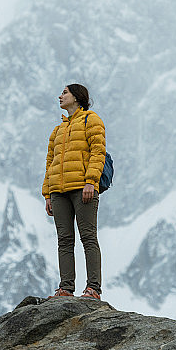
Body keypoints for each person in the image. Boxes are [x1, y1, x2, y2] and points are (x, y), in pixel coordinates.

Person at [42, 83, 106, 299]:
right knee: (64, 240)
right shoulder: (57, 130)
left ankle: (93, 288)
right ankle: (66, 288)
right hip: (59, 191)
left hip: (83, 188)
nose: (60, 96)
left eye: (65, 93)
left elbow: (98, 152)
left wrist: (91, 181)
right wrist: (48, 194)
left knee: (88, 237)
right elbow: (50, 163)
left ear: (77, 97)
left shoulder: (91, 120)